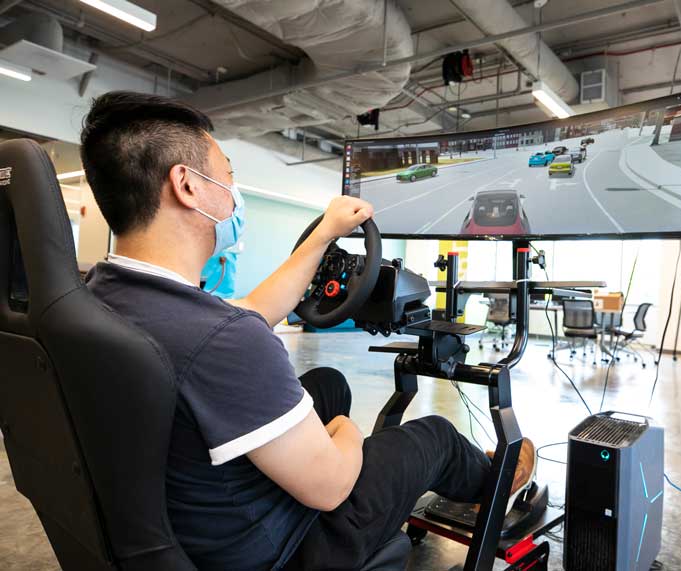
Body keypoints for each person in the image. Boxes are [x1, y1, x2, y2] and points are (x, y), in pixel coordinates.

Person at [80, 91, 535, 571]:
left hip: (188, 518)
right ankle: (499, 482)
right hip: (279, 549)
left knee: (329, 385)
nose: (234, 191)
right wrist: (344, 433)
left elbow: (253, 310)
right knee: (435, 437)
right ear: (187, 185)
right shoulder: (222, 339)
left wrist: (322, 235)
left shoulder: (106, 295)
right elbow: (332, 482)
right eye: (228, 173)